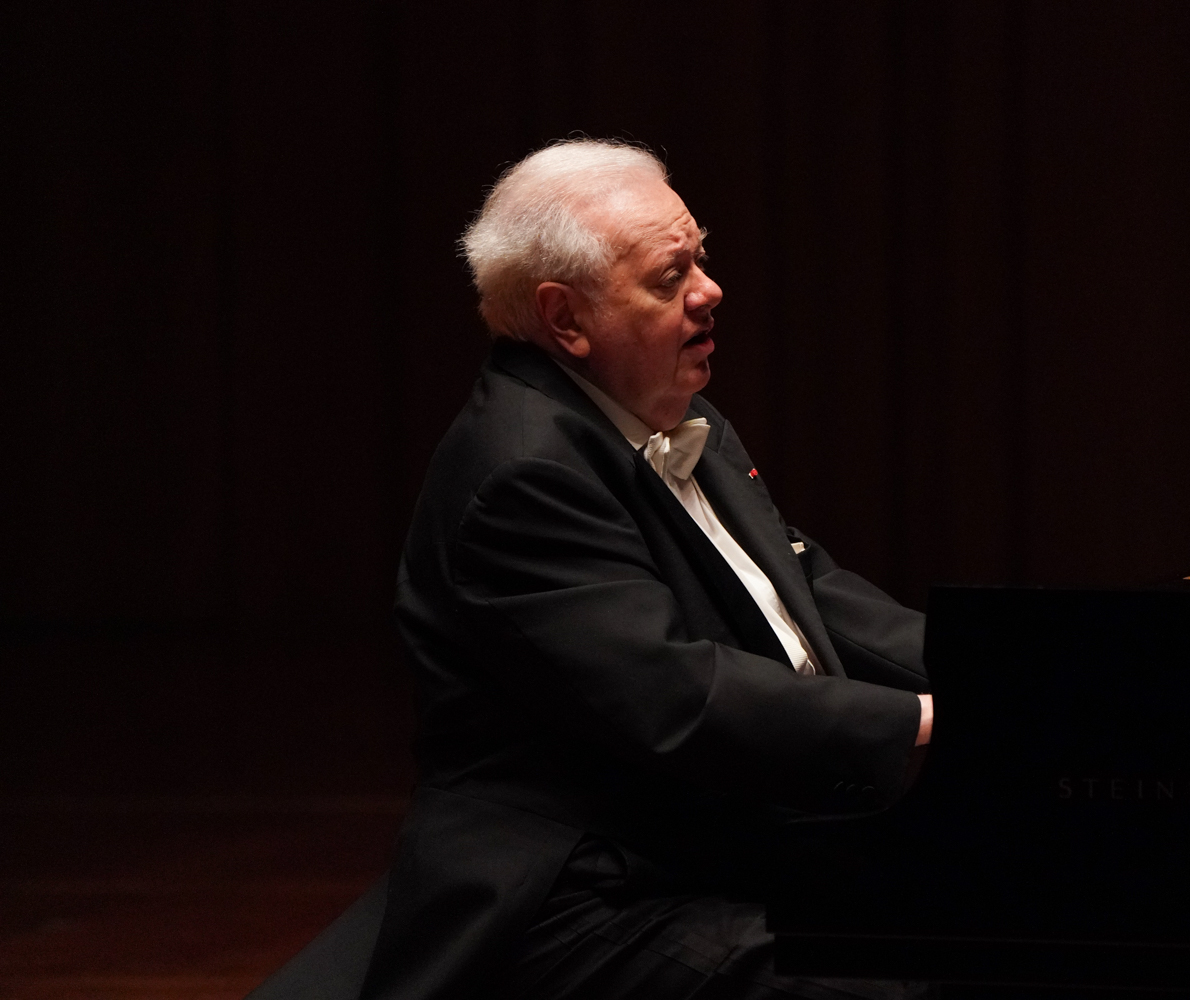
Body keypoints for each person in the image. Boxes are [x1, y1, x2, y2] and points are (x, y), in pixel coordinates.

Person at [359, 138, 936, 1000]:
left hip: (709, 841)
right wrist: (924, 722)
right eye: (671, 278)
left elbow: (807, 591)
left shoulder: (668, 410)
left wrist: (1021, 672)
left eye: (700, 256)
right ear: (566, 320)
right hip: (584, 900)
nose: (710, 290)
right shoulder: (524, 472)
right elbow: (678, 696)